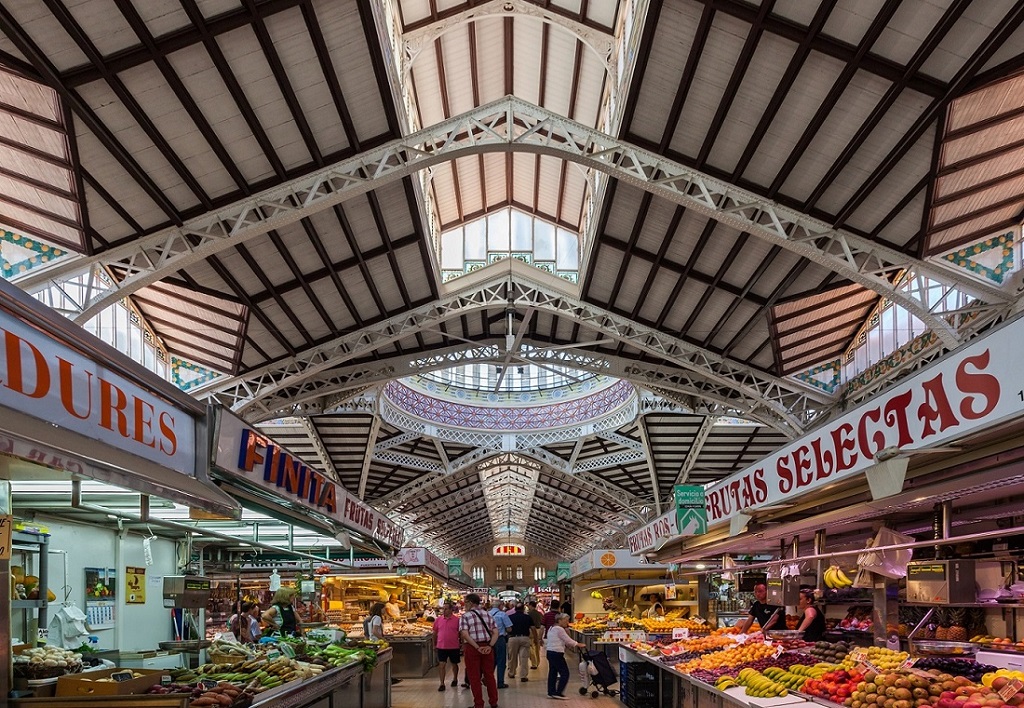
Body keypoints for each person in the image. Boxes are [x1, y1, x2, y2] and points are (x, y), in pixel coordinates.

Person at [459, 593, 499, 708]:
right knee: (489, 675)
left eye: (465, 602)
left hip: (473, 648)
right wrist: (490, 646)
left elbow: (465, 634)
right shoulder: (488, 615)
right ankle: (493, 701)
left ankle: (479, 704)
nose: (464, 604)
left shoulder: (465, 616)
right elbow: (496, 632)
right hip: (487, 647)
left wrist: (477, 647)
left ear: (471, 603)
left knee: (474, 677)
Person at [545, 612, 585, 699]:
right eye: (566, 621)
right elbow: (567, 640)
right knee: (565, 673)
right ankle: (559, 692)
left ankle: (551, 691)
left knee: (553, 672)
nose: (567, 623)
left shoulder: (551, 628)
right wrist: (578, 644)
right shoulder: (559, 629)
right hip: (556, 653)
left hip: (550, 652)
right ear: (560, 620)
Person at [433, 602, 461, 691]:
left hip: (454, 646)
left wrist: (462, 644)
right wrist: (434, 644)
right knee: (442, 665)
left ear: (451, 610)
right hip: (441, 646)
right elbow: (434, 633)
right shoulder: (438, 620)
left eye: (446, 609)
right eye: (443, 609)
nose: (443, 611)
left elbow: (460, 633)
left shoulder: (457, 620)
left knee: (454, 664)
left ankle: (455, 678)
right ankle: (442, 683)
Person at [487, 600, 512, 689]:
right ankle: (500, 682)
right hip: (499, 639)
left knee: (490, 660)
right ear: (500, 606)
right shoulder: (502, 614)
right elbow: (509, 629)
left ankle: (487, 679)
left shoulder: (487, 614)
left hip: (488, 639)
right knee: (501, 661)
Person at [506, 603, 533, 682]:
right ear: (523, 609)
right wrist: (535, 638)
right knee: (524, 657)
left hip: (513, 638)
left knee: (512, 657)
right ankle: (523, 676)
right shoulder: (527, 617)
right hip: (524, 638)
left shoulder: (510, 617)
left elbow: (508, 628)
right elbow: (533, 628)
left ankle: (511, 673)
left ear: (515, 609)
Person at [527, 601, 544, 669]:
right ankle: (538, 661)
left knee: (531, 647)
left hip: (531, 630)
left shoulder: (529, 614)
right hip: (538, 629)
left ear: (531, 605)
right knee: (537, 646)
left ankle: (534, 663)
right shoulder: (539, 613)